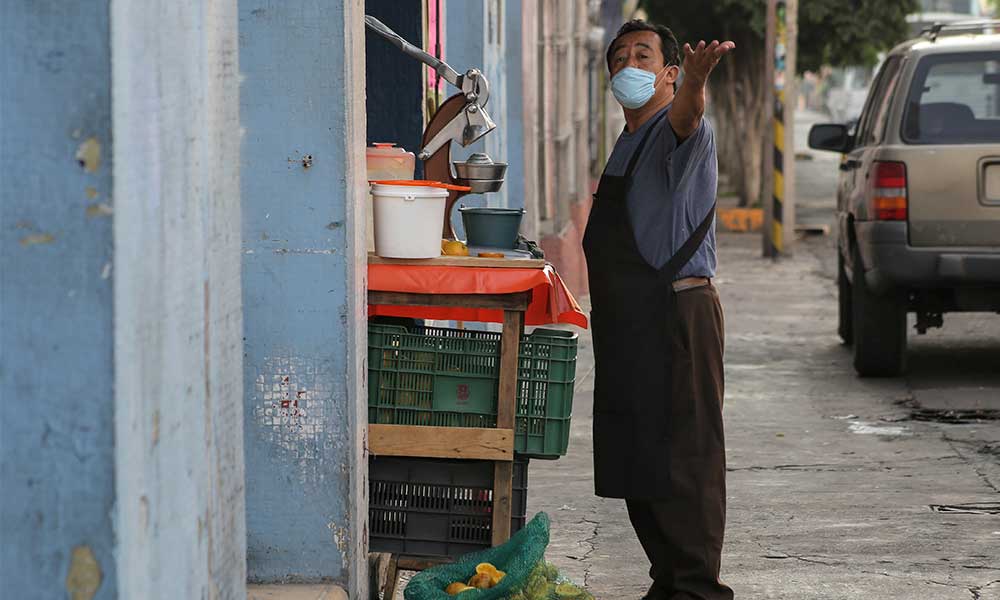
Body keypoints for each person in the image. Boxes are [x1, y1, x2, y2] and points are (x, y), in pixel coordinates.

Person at [582, 19, 735, 600]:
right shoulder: (626, 141)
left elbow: (689, 114)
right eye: (619, 58)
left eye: (643, 56)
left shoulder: (678, 131)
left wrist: (697, 82)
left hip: (677, 315)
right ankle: (668, 582)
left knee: (685, 459)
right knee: (638, 454)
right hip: (628, 324)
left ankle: (697, 588)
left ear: (669, 73)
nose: (628, 66)